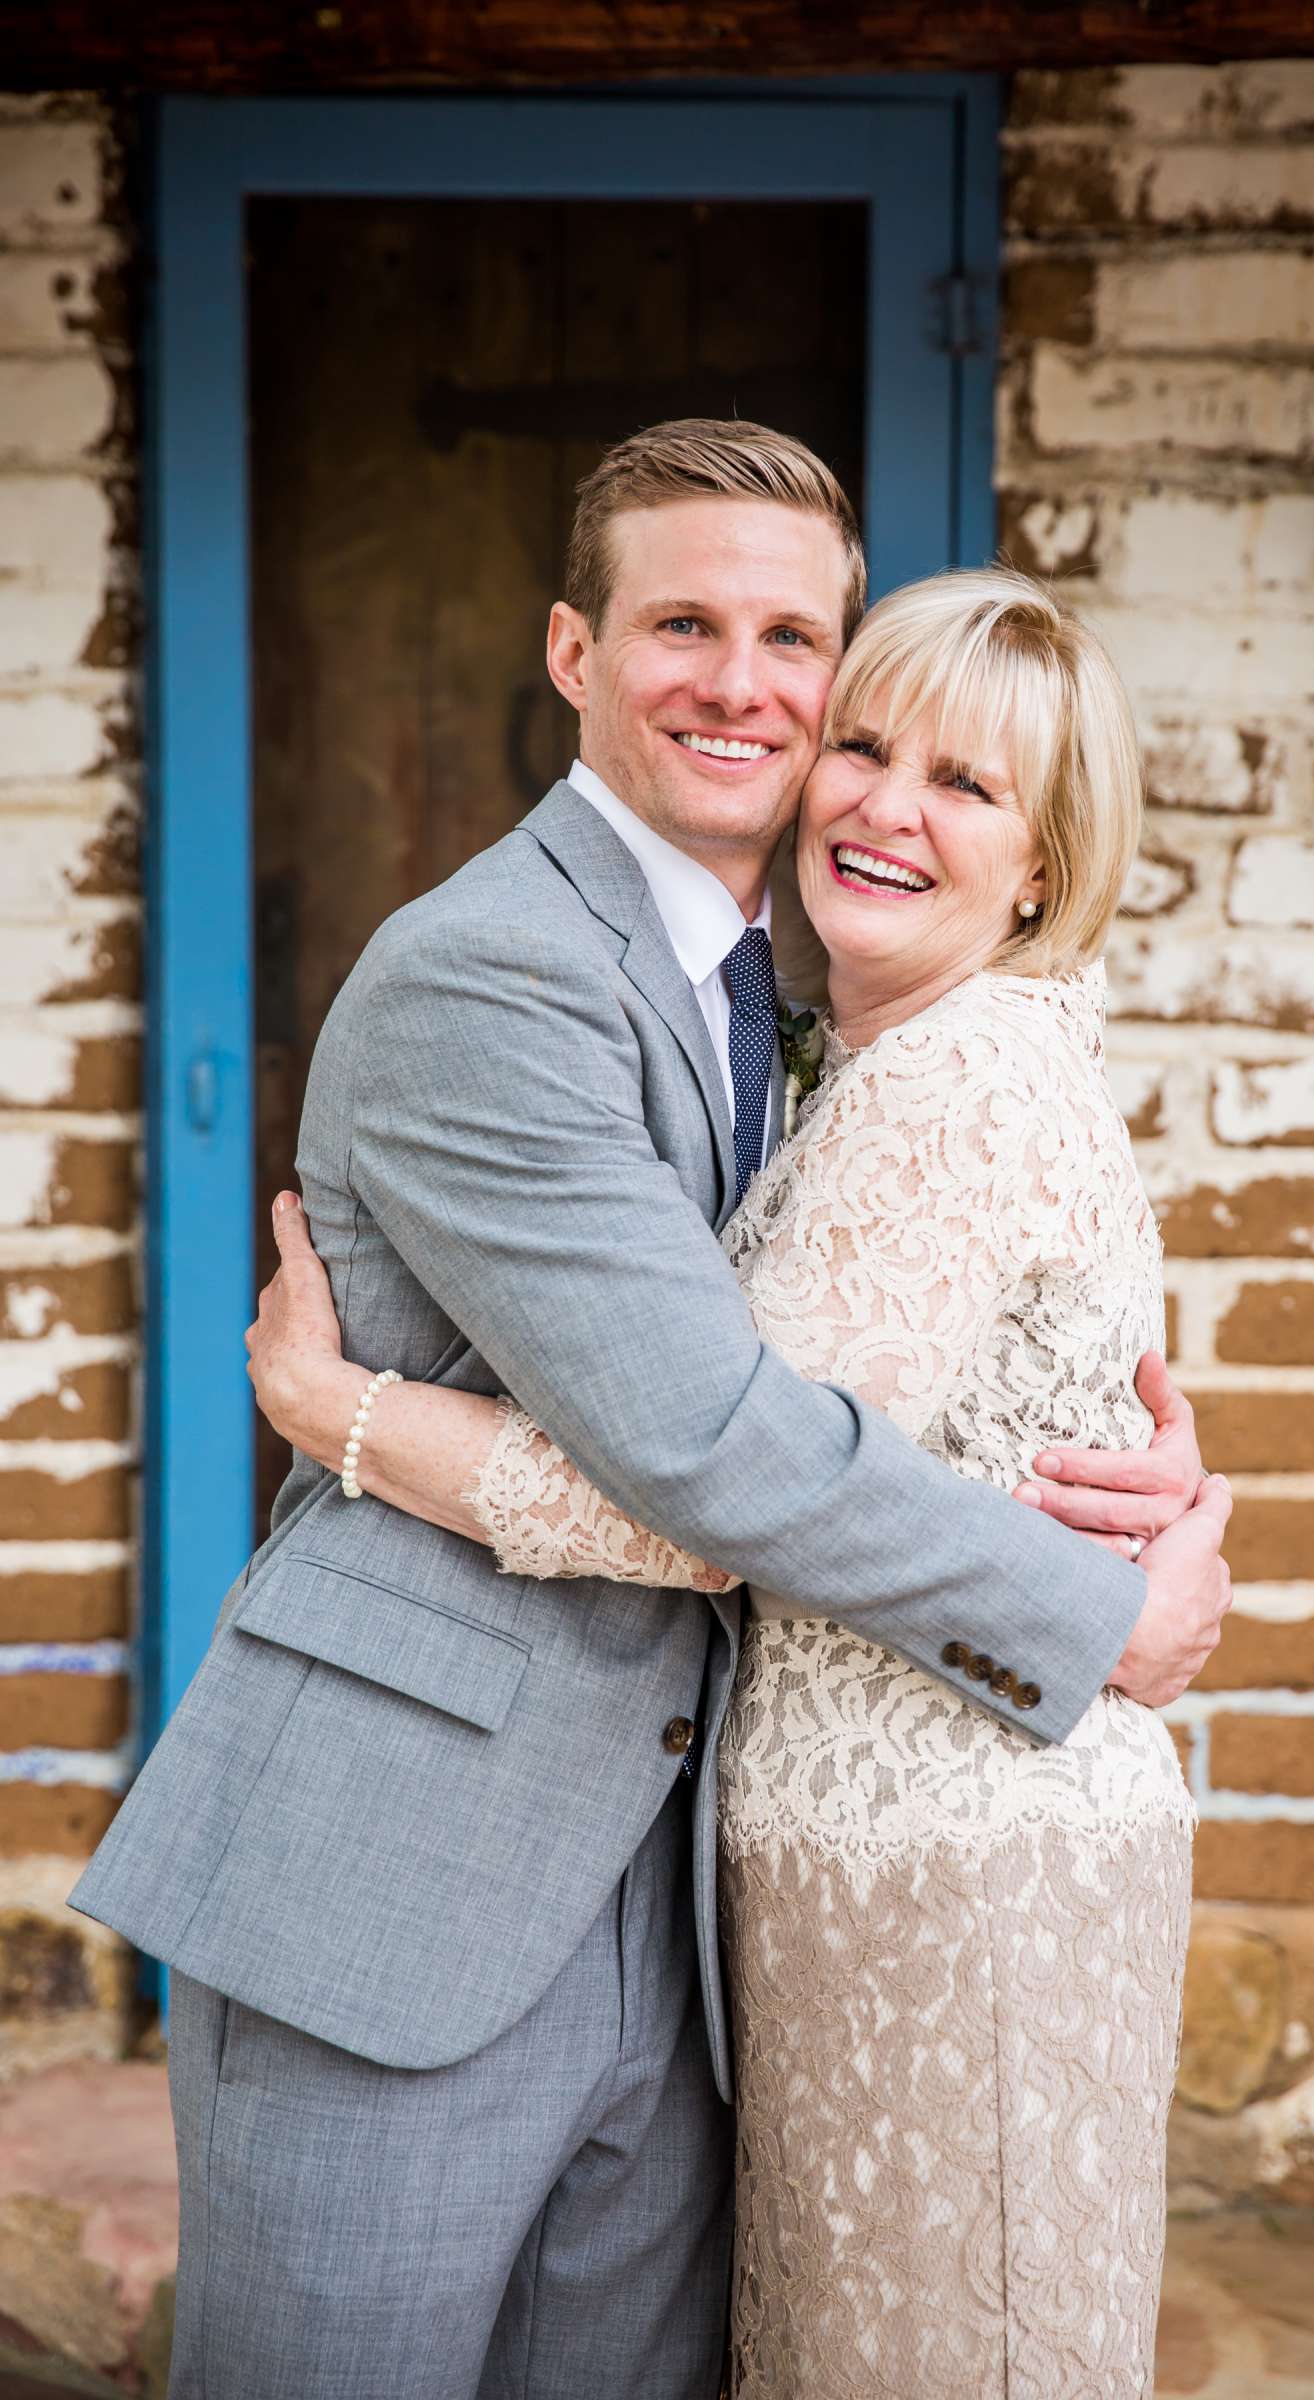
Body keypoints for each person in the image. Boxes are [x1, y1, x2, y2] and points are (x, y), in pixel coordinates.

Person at [71, 422, 1228, 2400]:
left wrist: (1142, 1487)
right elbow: (711, 1450)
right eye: (680, 621)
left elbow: (895, 1368)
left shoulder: (806, 1006)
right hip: (413, 1869)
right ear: (569, 652)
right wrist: (1093, 1614)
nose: (746, 686)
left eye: (795, 640)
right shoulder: (492, 977)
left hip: (694, 1894)